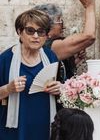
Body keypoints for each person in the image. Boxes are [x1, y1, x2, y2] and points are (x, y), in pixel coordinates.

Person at [0, 9, 62, 139]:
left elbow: (63, 89)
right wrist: (8, 88)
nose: (36, 36)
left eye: (41, 32)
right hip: (14, 128)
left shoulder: (51, 57)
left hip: (45, 124)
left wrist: (59, 88)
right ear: (19, 32)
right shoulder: (5, 59)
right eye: (30, 30)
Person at [35, 0, 96, 81]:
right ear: (47, 24)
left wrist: (72, 61)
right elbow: (89, 36)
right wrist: (89, 6)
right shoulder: (50, 46)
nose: (63, 26)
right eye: (60, 21)